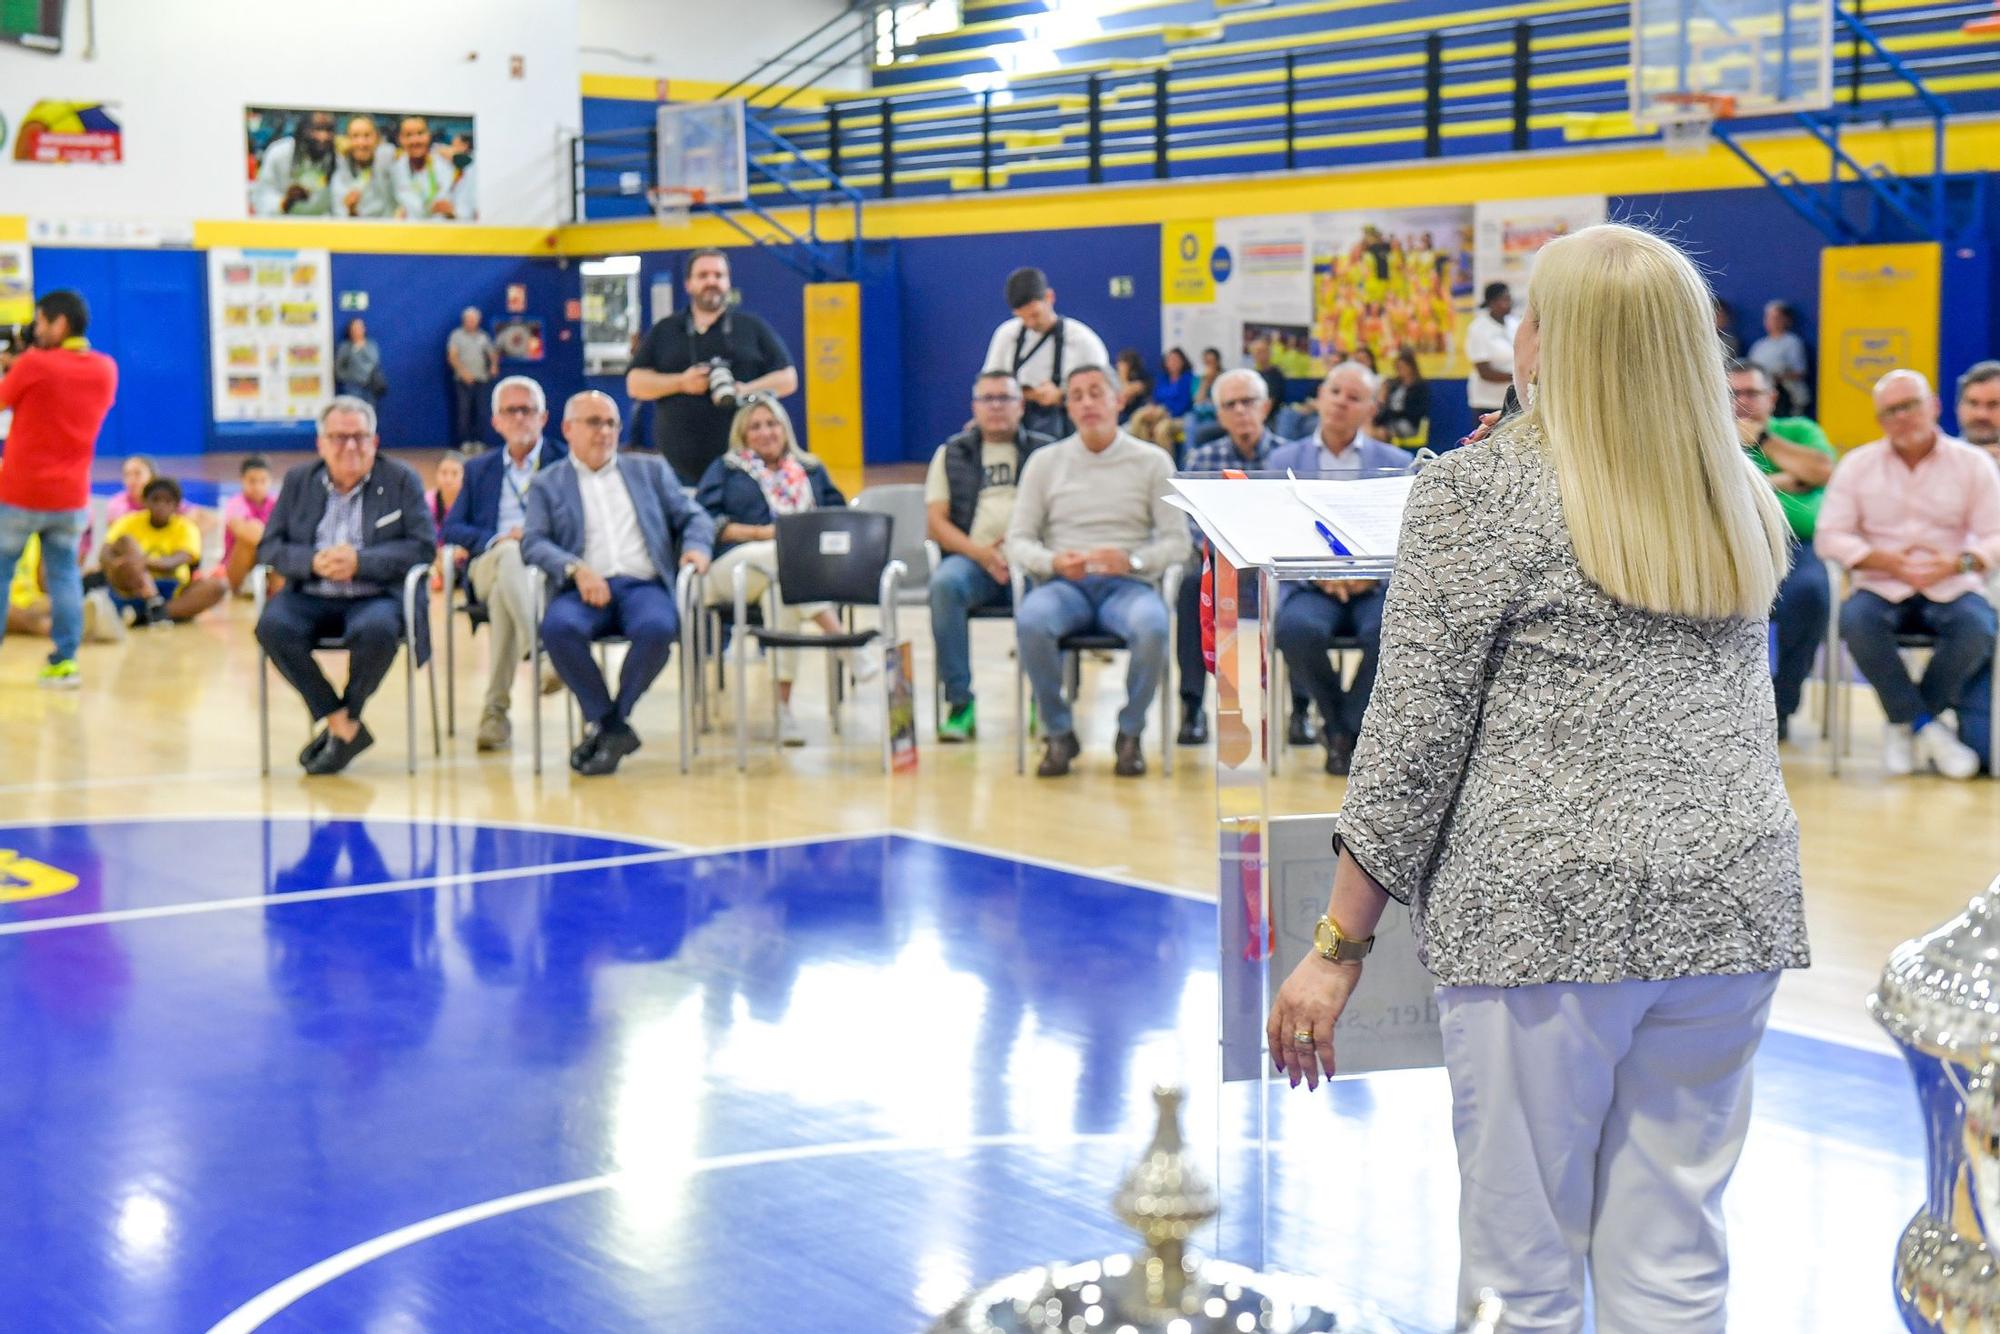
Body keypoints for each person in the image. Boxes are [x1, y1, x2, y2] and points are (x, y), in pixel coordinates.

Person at [1267, 223, 1807, 1332]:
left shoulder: (1477, 493)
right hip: (1731, 904)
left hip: (1543, 919)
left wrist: (1335, 945)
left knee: (1519, 1268)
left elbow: (1410, 741)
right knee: (1674, 1253)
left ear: (1549, 341)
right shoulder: (1740, 491)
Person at [1006, 365, 1190, 778]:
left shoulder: (1152, 461)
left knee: (1153, 627)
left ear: (1118, 400)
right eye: (1076, 396)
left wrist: (1134, 561)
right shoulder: (1044, 462)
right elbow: (1018, 540)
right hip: (1064, 585)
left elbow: (1177, 542)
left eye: (1096, 393)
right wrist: (1052, 562)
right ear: (1067, 407)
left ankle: (1130, 732)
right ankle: (1058, 732)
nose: (1087, 403)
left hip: (1128, 585)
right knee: (1032, 621)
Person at [1816, 368, 2000, 778]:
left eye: (1909, 405)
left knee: (1978, 627)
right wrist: (1884, 560)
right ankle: (1924, 727)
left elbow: (1994, 536)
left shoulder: (1972, 464)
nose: (1901, 417)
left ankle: (1907, 721)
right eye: (1889, 411)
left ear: (1933, 406)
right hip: (1881, 583)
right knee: (1856, 622)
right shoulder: (1858, 465)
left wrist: (1958, 563)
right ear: (1880, 420)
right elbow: (1830, 536)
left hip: (1951, 580)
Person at [522, 391, 714, 776]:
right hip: (582, 589)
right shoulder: (547, 483)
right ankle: (613, 728)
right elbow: (533, 542)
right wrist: (576, 569)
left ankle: (611, 725)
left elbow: (694, 516)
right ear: (568, 429)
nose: (605, 431)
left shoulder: (649, 471)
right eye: (594, 422)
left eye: (611, 423)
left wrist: (696, 548)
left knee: (659, 628)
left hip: (643, 585)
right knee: (558, 629)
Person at [254, 396, 436, 775]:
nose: (349, 446)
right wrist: (310, 562)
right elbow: (270, 545)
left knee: (378, 631)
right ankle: (343, 724)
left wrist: (360, 562)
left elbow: (422, 547)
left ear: (375, 441)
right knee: (272, 626)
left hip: (375, 594)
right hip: (310, 592)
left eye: (359, 437)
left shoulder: (401, 479)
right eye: (339, 437)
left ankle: (344, 722)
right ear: (321, 443)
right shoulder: (298, 481)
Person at [695, 394, 874, 746]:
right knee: (783, 554)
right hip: (732, 570)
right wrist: (764, 533)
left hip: (793, 575)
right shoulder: (727, 469)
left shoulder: (810, 469)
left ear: (785, 428)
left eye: (772, 423)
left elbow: (838, 517)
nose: (766, 432)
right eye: (756, 426)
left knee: (784, 592)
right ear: (743, 435)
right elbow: (705, 523)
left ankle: (783, 711)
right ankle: (843, 642)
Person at [1266, 364, 1414, 774]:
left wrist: (1371, 574)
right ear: (1319, 395)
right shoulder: (1284, 459)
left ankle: (1347, 729)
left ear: (1370, 408)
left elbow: (1405, 535)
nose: (1341, 403)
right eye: (1335, 392)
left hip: (1375, 584)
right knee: (1296, 629)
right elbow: (1275, 531)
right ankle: (1338, 727)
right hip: (1311, 584)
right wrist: (1317, 574)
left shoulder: (1397, 462)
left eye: (1354, 397)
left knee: (1393, 630)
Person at [441, 375, 570, 751]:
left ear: (543, 417)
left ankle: (495, 712)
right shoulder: (479, 469)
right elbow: (452, 528)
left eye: (526, 410)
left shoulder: (564, 462)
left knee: (503, 597)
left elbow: (580, 524)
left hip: (546, 569)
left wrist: (536, 537)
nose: (519, 419)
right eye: (509, 411)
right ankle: (543, 650)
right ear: (496, 421)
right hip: (490, 560)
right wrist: (497, 540)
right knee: (508, 557)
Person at [0, 289, 119, 689]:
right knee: (65, 576)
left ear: (59, 324)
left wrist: (10, 369)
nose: (35, 328)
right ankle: (64, 662)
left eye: (40, 321)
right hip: (70, 497)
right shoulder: (105, 369)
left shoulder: (34, 365)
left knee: (1, 574)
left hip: (19, 493)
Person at [926, 371, 1054, 741]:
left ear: (1021, 406)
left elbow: (1066, 513)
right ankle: (960, 703)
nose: (996, 406)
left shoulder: (1047, 452)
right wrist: (981, 554)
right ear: (974, 407)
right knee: (944, 586)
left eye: (1005, 398)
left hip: (1033, 560)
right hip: (974, 561)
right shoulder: (951, 453)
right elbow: (936, 523)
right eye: (988, 399)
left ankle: (1044, 702)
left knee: (1053, 594)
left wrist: (1025, 552)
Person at [1175, 368, 1287, 746]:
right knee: (1191, 586)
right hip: (1220, 565)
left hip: (1276, 566)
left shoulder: (1288, 455)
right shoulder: (1202, 458)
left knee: (1299, 595)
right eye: (1230, 405)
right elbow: (1191, 523)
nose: (1241, 411)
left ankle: (1300, 709)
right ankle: (1192, 706)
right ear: (1219, 414)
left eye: (1249, 402)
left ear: (1266, 407)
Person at [626, 248, 798, 484]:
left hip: (744, 465)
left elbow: (788, 379)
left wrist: (745, 390)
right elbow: (635, 384)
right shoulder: (665, 330)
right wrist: (681, 383)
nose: (711, 281)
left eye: (718, 275)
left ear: (728, 282)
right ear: (688, 284)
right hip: (678, 467)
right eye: (703, 275)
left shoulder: (750, 327)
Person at [1729, 359, 1834, 741]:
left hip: (1796, 547)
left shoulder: (1799, 430)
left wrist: (1762, 440)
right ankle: (1731, 705)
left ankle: (1781, 705)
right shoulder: (1709, 437)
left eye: (1751, 393)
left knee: (1811, 595)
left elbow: (1822, 472)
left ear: (1772, 397)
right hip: (1733, 547)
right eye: (1733, 393)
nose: (1742, 402)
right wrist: (1788, 480)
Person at [982, 267, 1110, 441]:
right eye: (1023, 318)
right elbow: (989, 386)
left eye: (1035, 315)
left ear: (1050, 297)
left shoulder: (1084, 341)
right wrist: (1028, 394)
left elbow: (1103, 395)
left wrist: (1062, 396)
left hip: (1070, 433)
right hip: (1017, 433)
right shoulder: (1006, 335)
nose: (1030, 323)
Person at [101, 477, 226, 625]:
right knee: (126, 541)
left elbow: (173, 562)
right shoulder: (128, 522)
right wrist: (118, 566)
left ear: (176, 506)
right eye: (155, 500)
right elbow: (104, 553)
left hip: (173, 587)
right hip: (132, 585)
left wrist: (138, 561)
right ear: (145, 502)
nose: (161, 506)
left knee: (218, 586)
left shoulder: (186, 528)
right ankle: (150, 602)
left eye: (167, 501)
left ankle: (157, 612)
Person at [250, 110, 337, 217]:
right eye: (317, 129)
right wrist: (285, 202)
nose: (323, 137)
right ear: (303, 129)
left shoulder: (335, 158)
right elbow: (261, 198)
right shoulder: (279, 152)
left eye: (329, 130)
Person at [390, 116, 470, 220]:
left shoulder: (445, 163)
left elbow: (470, 164)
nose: (415, 140)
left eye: (420, 133)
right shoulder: (394, 169)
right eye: (408, 135)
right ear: (400, 139)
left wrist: (453, 212)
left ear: (429, 135)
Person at [219, 454, 277, 595]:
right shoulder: (235, 503)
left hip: (269, 557)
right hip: (236, 567)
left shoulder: (277, 502)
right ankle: (242, 584)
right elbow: (241, 530)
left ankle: (277, 588)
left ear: (271, 481)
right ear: (242, 480)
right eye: (252, 481)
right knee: (249, 536)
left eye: (262, 481)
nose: (257, 486)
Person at [1748, 299, 1812, 417]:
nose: (1771, 321)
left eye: (1776, 318)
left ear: (1786, 320)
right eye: (1768, 317)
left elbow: (1800, 371)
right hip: (1762, 397)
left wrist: (1775, 377)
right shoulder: (1759, 345)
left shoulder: (1792, 342)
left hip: (1787, 397)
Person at [1463, 281, 1517, 415]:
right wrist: (1517, 377)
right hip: (1487, 401)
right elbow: (1484, 372)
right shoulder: (1478, 329)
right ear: (1492, 303)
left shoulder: (1514, 323)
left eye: (1509, 298)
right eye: (1504, 299)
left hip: (1513, 398)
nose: (1508, 302)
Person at [447, 307, 495, 452]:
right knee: (464, 412)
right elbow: (452, 356)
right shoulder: (456, 336)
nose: (471, 322)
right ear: (464, 320)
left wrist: (493, 365)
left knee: (481, 412)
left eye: (474, 320)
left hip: (481, 379)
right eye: (469, 320)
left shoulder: (483, 336)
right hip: (463, 381)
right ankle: (465, 442)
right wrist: (463, 373)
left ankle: (479, 442)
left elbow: (491, 353)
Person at [331, 114, 394, 220]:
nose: (362, 143)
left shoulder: (387, 157)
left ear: (377, 138)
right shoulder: (340, 173)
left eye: (367, 135)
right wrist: (352, 209)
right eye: (355, 136)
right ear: (347, 140)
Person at [1374, 347, 1429, 446]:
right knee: (1370, 429)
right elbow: (1386, 406)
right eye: (1398, 368)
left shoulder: (1419, 386)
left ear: (1411, 367)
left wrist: (1397, 413)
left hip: (1409, 423)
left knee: (1381, 433)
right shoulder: (1394, 385)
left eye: (1403, 367)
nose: (1400, 371)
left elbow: (1418, 411)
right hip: (1391, 420)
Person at [1956, 360, 2000, 467]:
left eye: (1993, 405)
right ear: (1959, 407)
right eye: (1973, 403)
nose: (1981, 415)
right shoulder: (1936, 462)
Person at [335, 317, 384, 405]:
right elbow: (339, 366)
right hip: (352, 387)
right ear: (350, 330)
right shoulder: (345, 347)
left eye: (360, 327)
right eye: (354, 328)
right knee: (353, 411)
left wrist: (361, 347)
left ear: (364, 329)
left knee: (369, 412)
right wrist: (346, 378)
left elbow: (374, 361)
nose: (357, 330)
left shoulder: (371, 345)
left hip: (370, 386)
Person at [1249, 336, 1288, 423]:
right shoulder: (1251, 375)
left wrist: (1255, 419)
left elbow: (1270, 402)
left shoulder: (1275, 374)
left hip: (1271, 417)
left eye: (1263, 351)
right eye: (1257, 352)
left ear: (1269, 353)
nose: (1260, 355)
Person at [1155, 347, 1195, 419]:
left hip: (1180, 416)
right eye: (1169, 360)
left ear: (1182, 362)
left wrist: (1166, 413)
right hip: (1159, 414)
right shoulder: (1162, 378)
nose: (1172, 363)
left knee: (1162, 427)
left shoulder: (1188, 378)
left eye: (1175, 360)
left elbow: (1184, 403)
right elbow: (1156, 398)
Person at [1114, 348, 1153, 421]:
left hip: (1137, 417)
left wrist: (1123, 375)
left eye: (1121, 363)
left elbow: (1125, 393)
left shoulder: (1142, 378)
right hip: (1120, 417)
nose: (1118, 366)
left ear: (1129, 365)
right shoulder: (1114, 379)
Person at [1192, 346, 1224, 413]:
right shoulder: (1198, 379)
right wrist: (1205, 381)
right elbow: (1198, 401)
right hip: (1202, 413)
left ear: (1218, 362)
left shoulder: (1225, 378)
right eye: (1206, 362)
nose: (1209, 365)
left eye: (1212, 362)